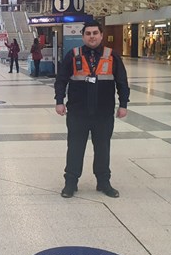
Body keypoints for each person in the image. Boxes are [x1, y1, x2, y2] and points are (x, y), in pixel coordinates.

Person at [54, 20, 130, 199]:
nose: (92, 36)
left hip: (103, 113)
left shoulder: (112, 56)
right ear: (83, 36)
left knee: (103, 148)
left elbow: (122, 82)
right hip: (77, 113)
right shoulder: (73, 55)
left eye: (95, 33)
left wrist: (124, 105)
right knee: (75, 148)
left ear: (101, 35)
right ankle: (70, 183)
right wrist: (59, 101)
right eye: (88, 33)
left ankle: (103, 182)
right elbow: (61, 80)